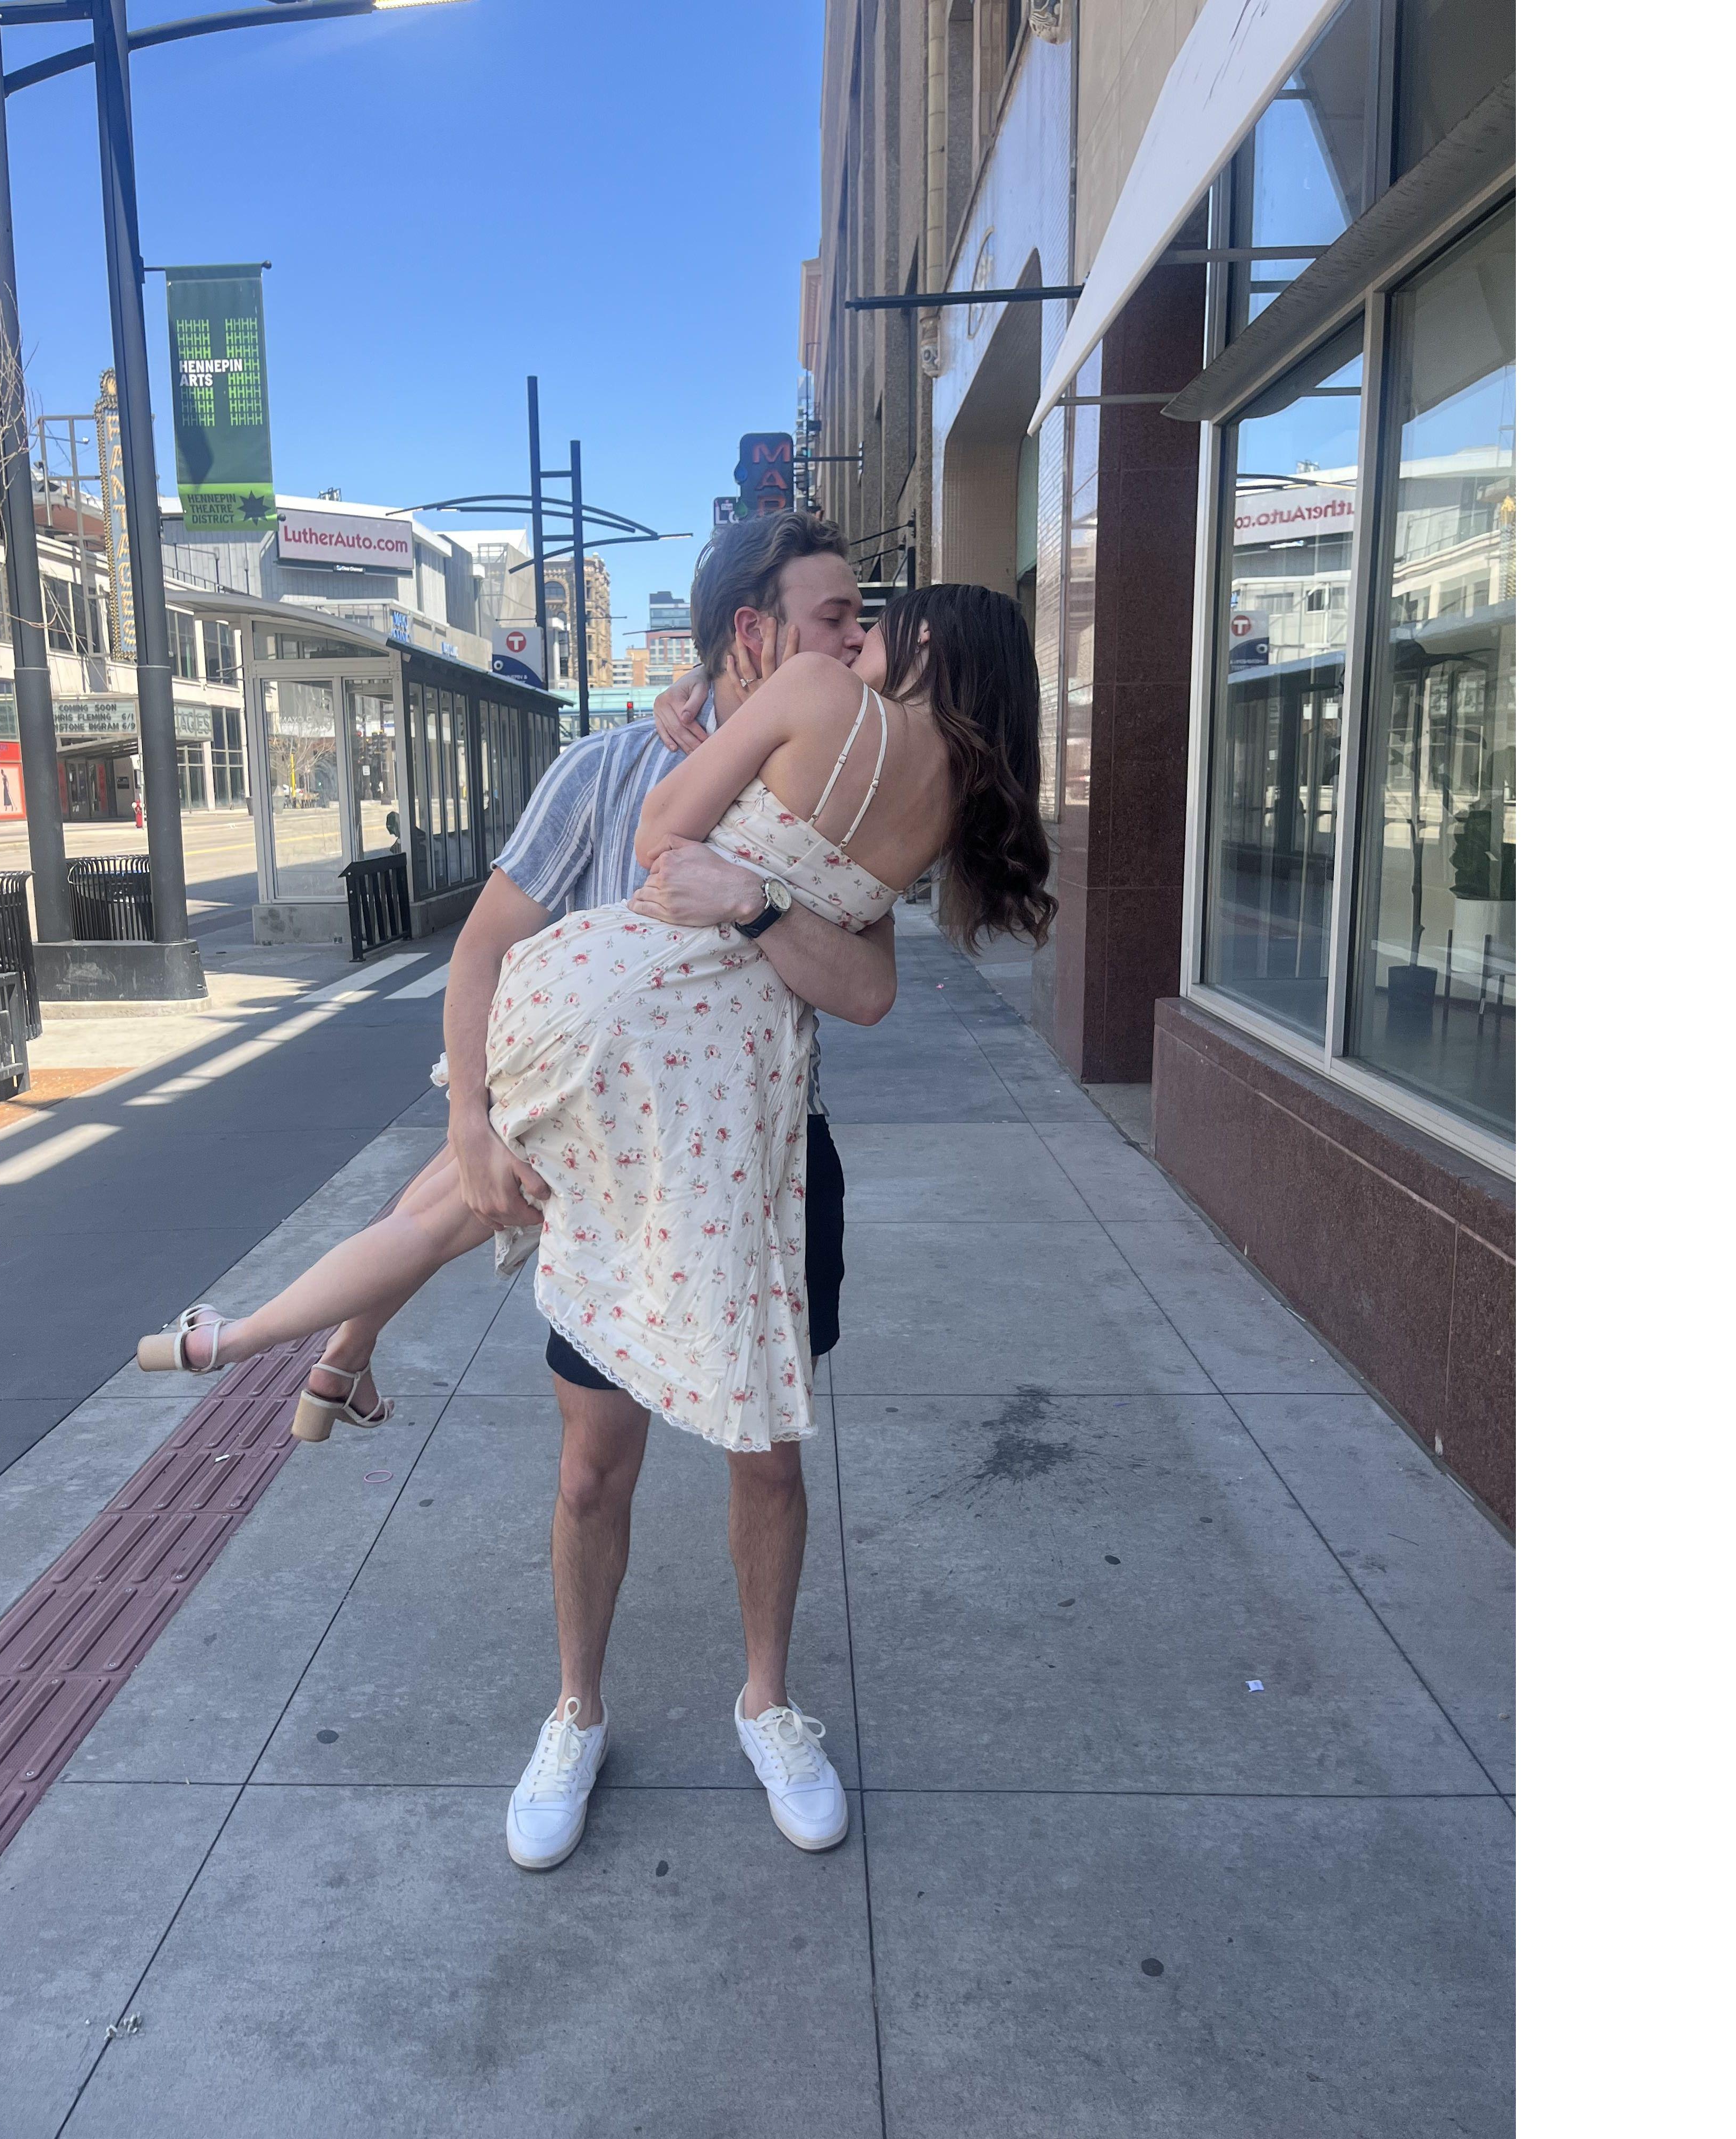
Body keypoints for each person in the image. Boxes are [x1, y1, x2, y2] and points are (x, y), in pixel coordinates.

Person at [138, 550, 1055, 1870]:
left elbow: (862, 989)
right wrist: (470, 1116)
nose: (854, 640)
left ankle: (764, 1701)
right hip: (612, 1098)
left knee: (765, 1449)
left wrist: (755, 901)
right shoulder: (621, 760)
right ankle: (573, 1707)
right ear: (759, 631)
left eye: (870, 625)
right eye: (837, 618)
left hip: (748, 1140)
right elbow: (506, 929)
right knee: (583, 1451)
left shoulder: (848, 741)